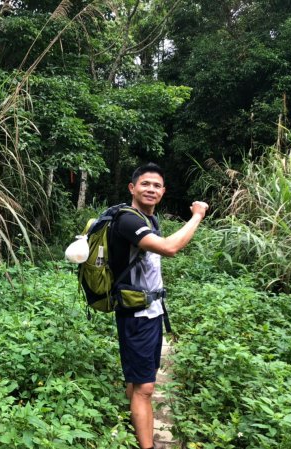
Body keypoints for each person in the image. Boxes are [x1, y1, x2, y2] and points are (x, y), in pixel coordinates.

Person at [108, 162, 208, 449]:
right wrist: (197, 216)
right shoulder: (129, 221)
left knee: (138, 378)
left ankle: (133, 418)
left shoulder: (147, 219)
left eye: (156, 186)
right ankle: (147, 444)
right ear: (132, 188)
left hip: (150, 311)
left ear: (163, 192)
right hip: (137, 313)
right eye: (145, 184)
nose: (150, 189)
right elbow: (170, 248)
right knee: (146, 389)